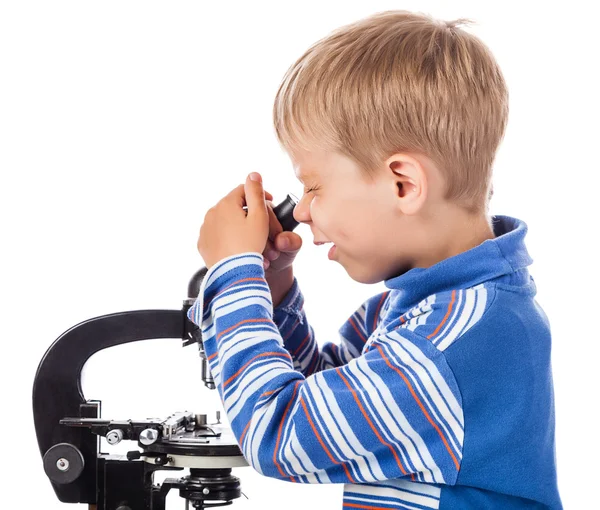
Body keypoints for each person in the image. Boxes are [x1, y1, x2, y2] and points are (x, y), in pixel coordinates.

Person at [187, 9, 562, 509]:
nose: (299, 210)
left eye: (313, 185)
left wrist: (233, 275)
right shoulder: (428, 311)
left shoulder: (452, 339)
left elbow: (280, 435)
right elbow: (326, 396)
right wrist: (273, 294)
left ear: (402, 184)